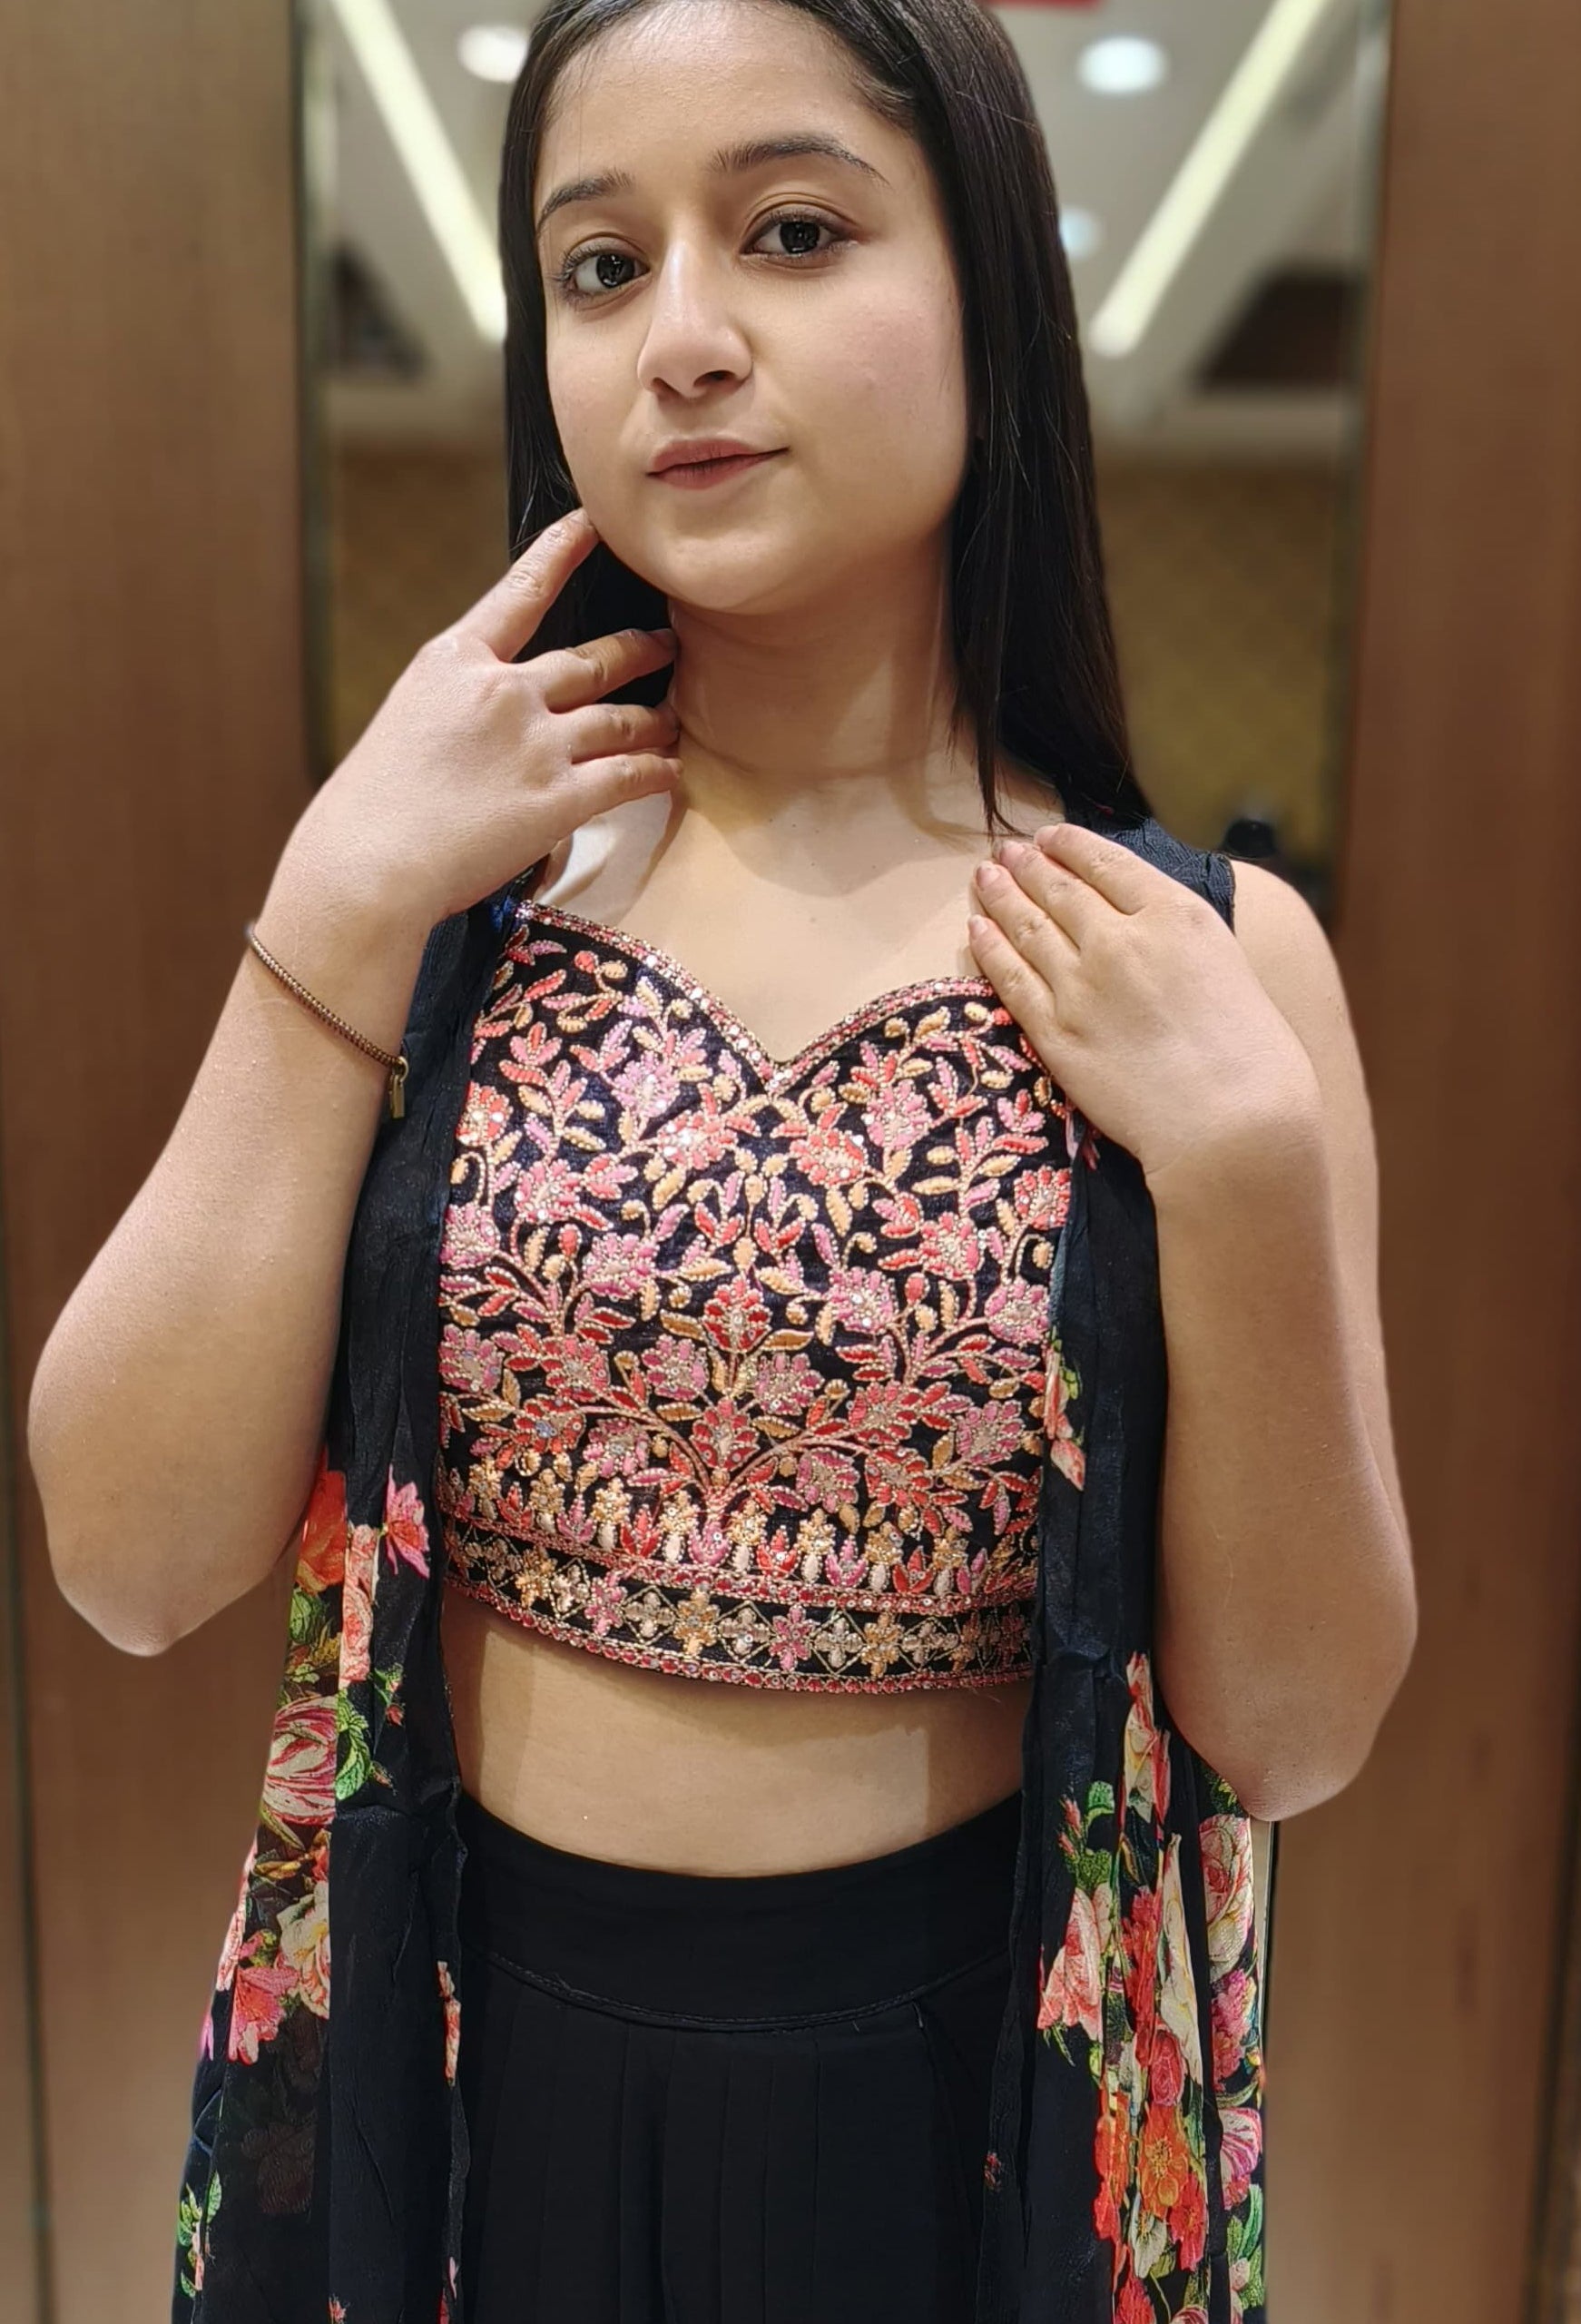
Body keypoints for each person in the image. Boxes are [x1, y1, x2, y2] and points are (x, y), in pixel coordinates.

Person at [26, 0, 1416, 2316]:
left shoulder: (1208, 960)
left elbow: (1292, 1722)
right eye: (596, 265)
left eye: (788, 231)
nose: (679, 337)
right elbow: (126, 1554)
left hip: (965, 2111)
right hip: (477, 2082)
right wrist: (328, 915)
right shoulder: (438, 909)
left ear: (986, 287)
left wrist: (1249, 1168)